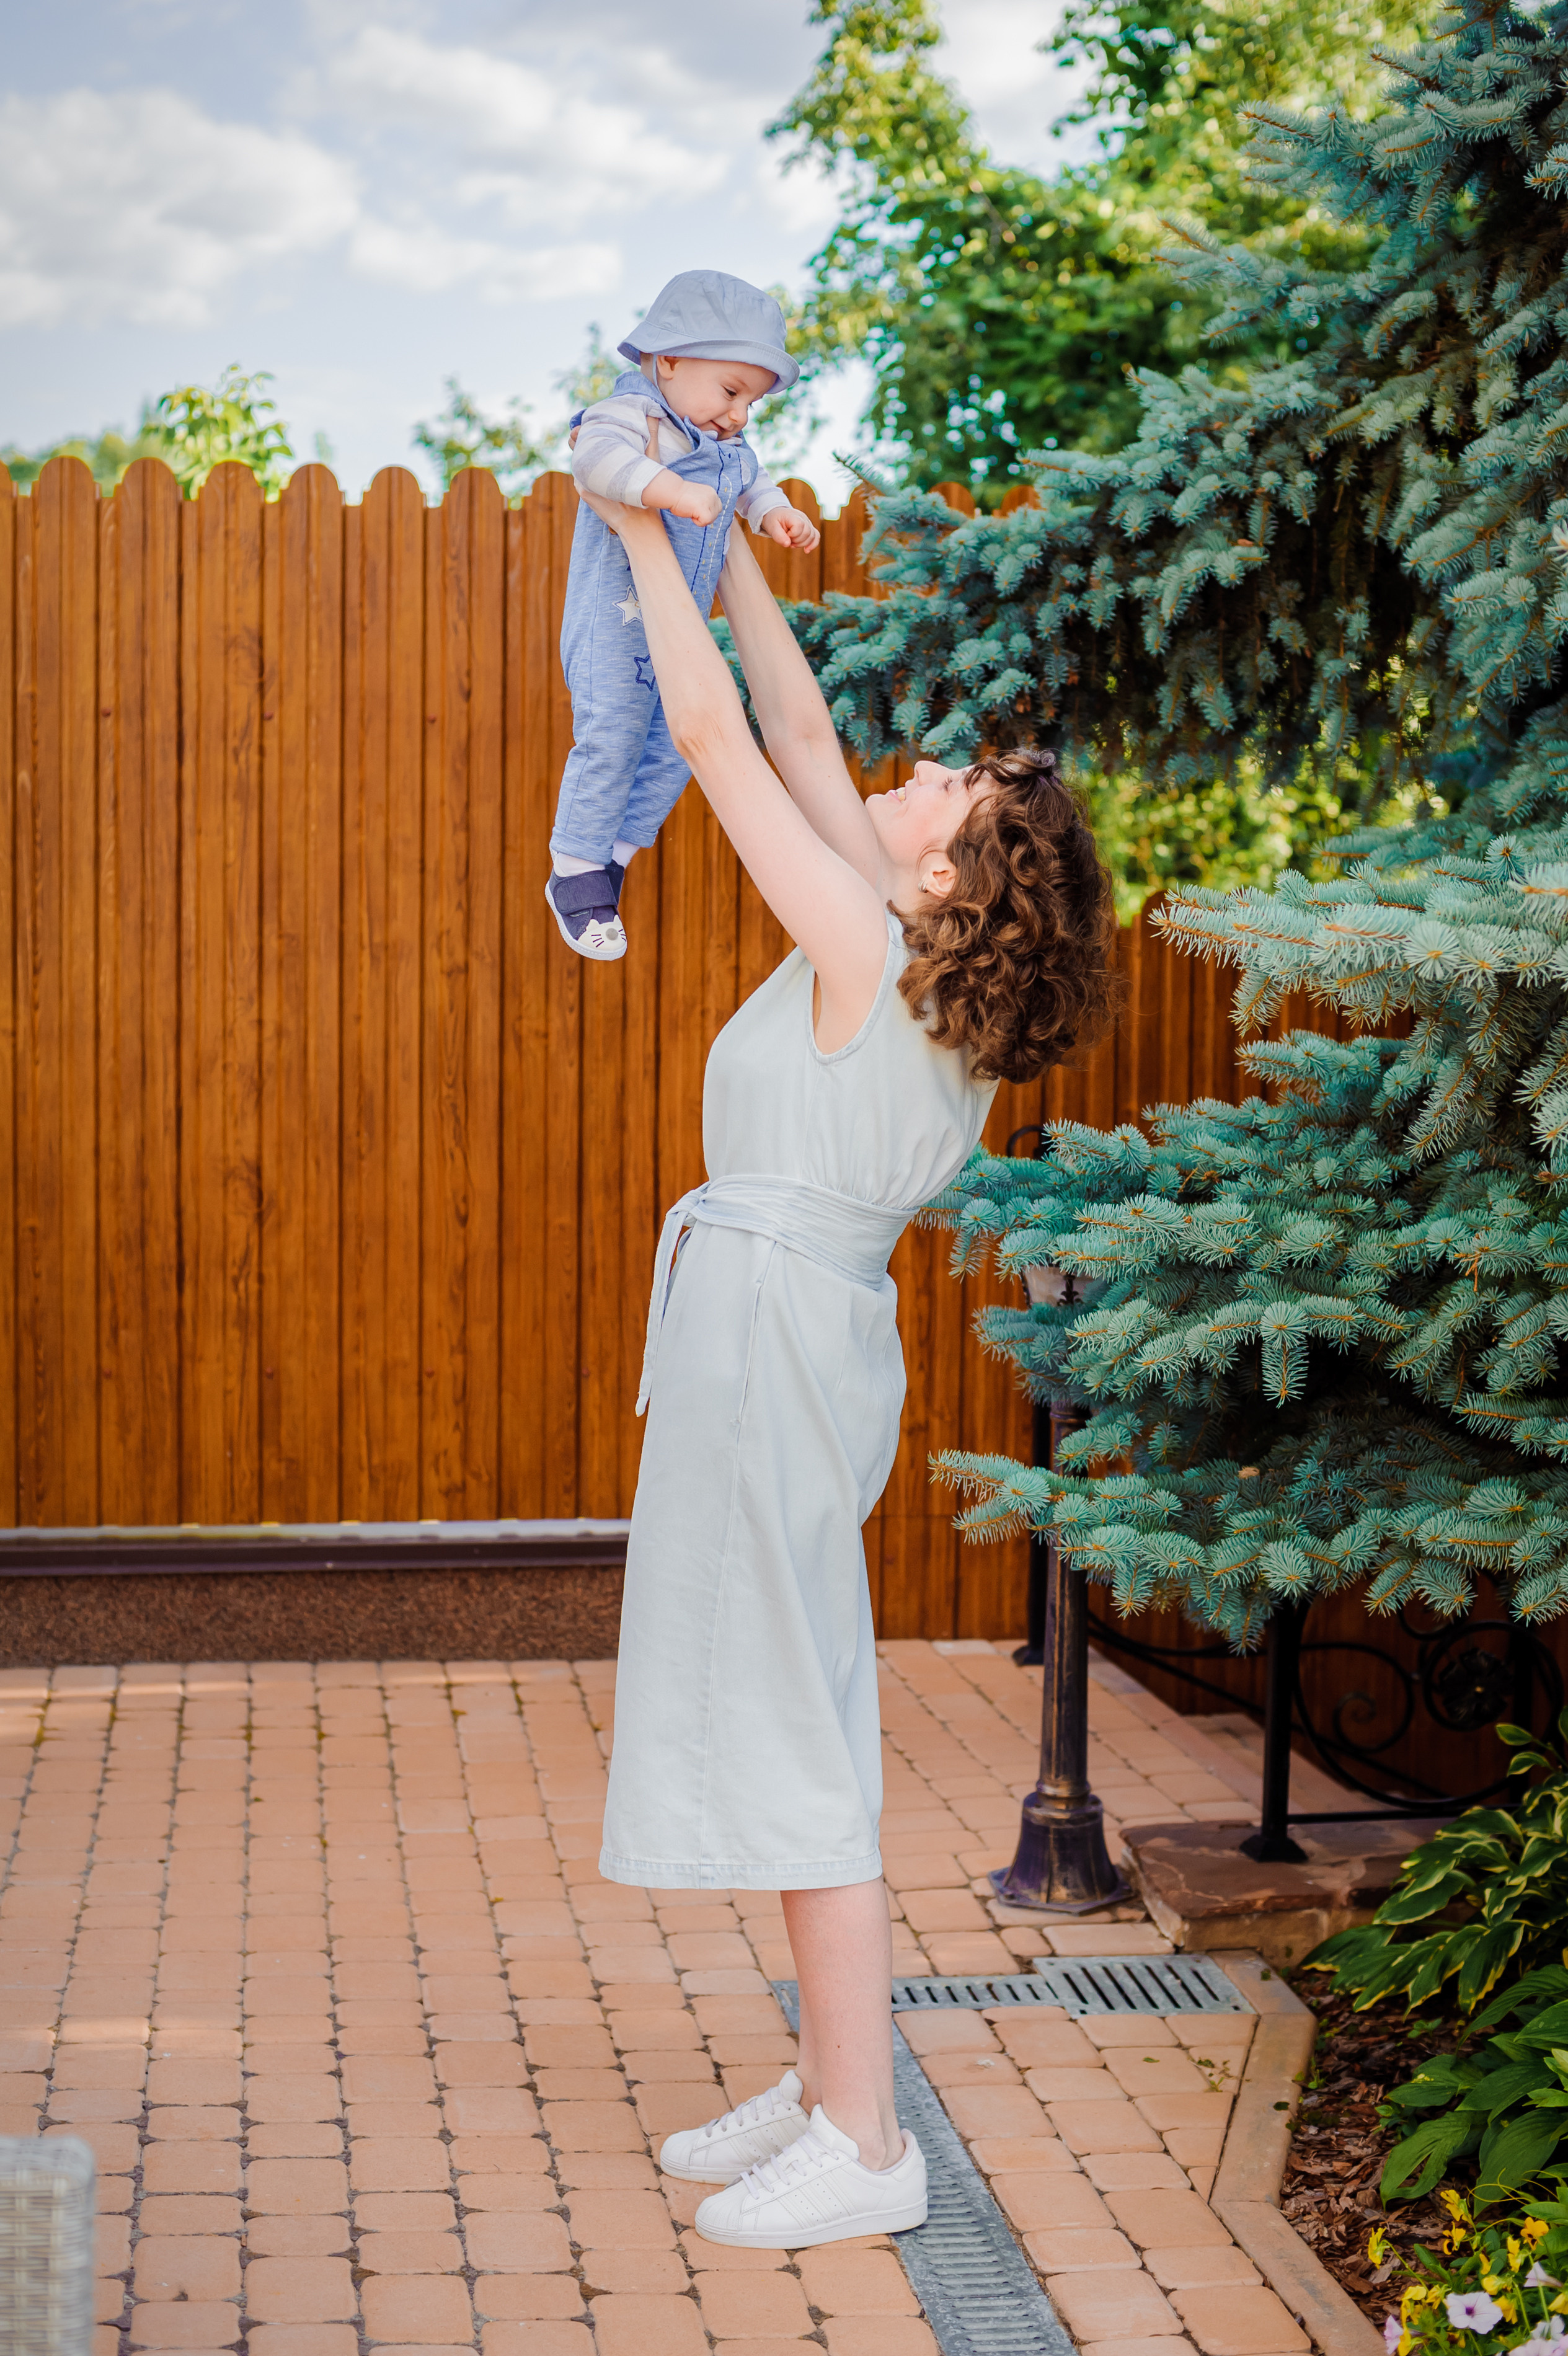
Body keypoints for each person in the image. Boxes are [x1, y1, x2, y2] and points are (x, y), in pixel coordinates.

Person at [589, 482, 1118, 2251]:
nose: (917, 768)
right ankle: (830, 2081)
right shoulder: (901, 956)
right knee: (788, 1687)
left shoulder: (865, 951)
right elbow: (799, 730)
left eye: (948, 785)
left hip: (770, 1336)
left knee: (794, 1718)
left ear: (947, 873)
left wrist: (638, 528)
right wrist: (720, 521)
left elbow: (715, 735)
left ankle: (869, 2139)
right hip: (787, 1323)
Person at [546, 269, 822, 963]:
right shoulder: (631, 413)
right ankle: (574, 868)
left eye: (752, 401)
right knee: (612, 734)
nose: (740, 415)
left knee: (677, 746)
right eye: (731, 391)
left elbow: (751, 480)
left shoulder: (722, 444)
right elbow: (594, 460)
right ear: (669, 360)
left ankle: (613, 857)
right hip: (614, 627)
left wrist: (775, 513)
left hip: (675, 634)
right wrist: (668, 489)